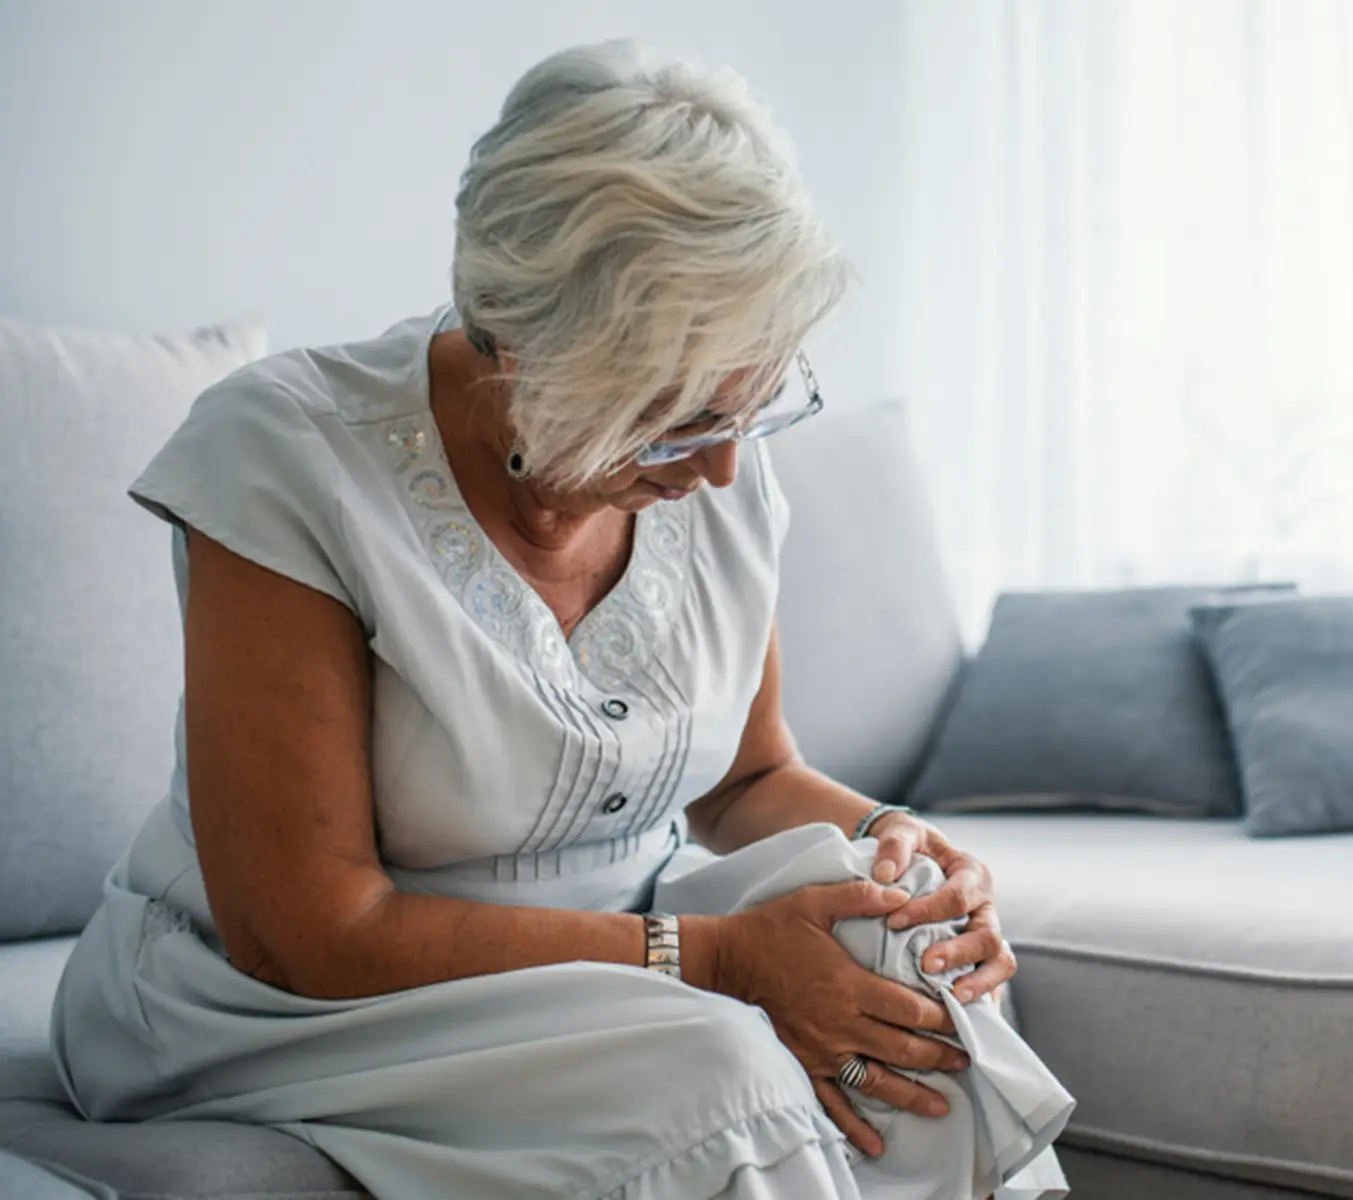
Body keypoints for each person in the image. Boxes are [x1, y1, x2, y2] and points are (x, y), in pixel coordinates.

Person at [51, 41, 1067, 1199]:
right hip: (277, 998)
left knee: (902, 973)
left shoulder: (715, 463)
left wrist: (906, 845)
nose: (728, 469)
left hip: (617, 951)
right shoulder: (286, 457)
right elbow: (310, 931)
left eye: (756, 399)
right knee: (717, 1066)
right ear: (523, 350)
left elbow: (745, 780)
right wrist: (718, 960)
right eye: (676, 419)